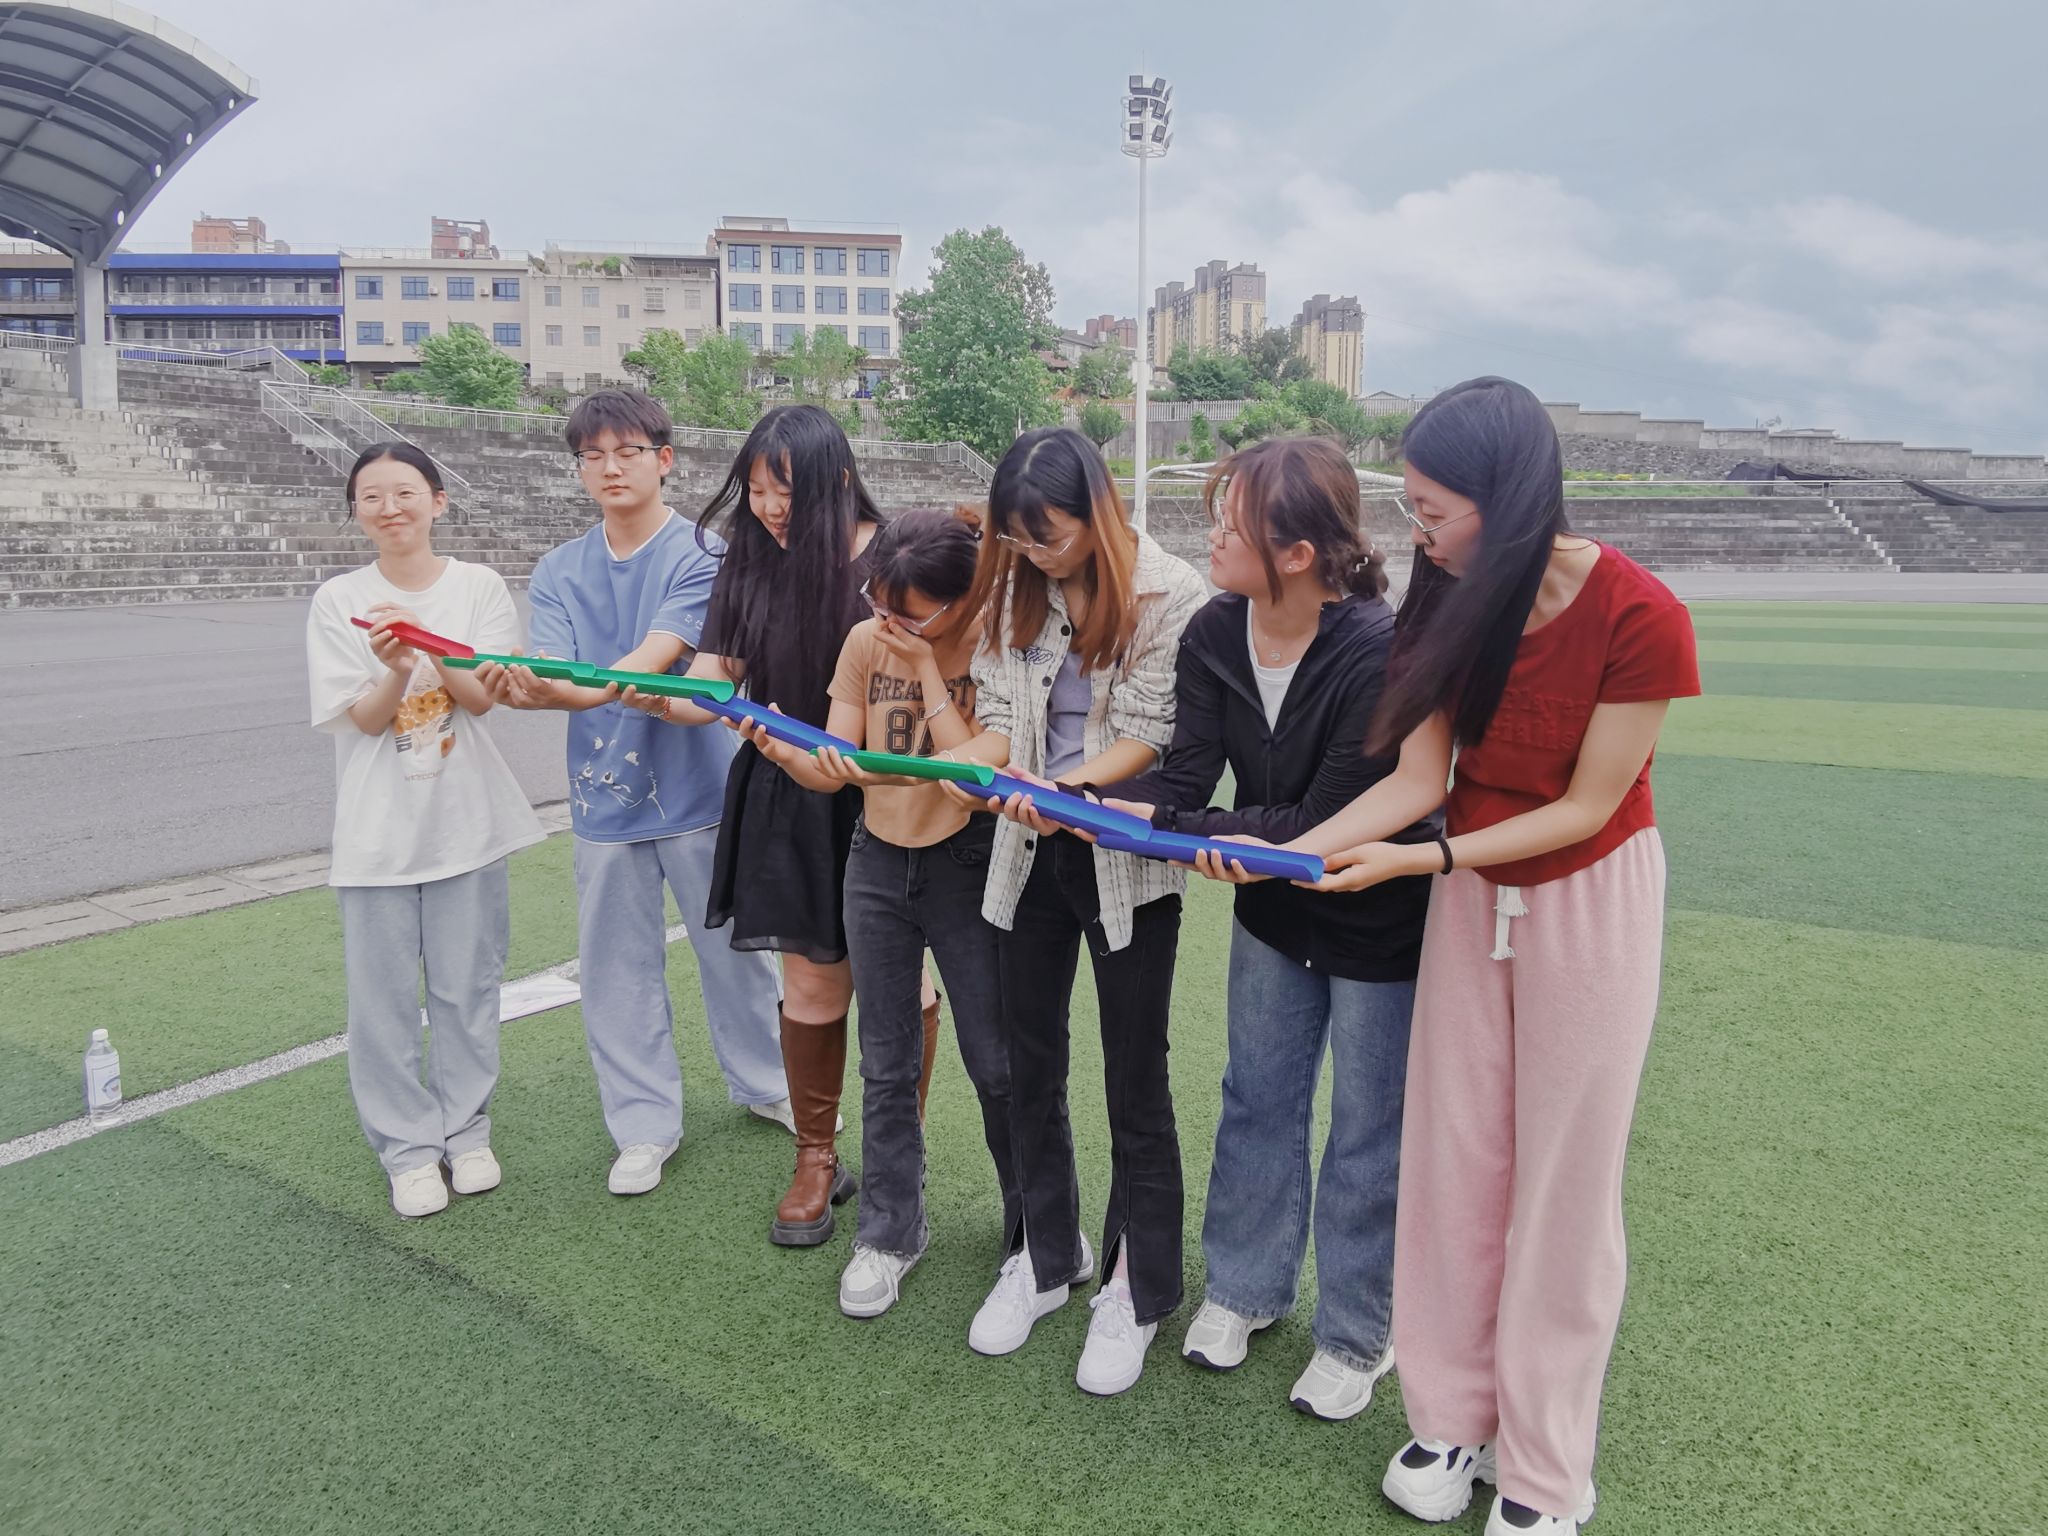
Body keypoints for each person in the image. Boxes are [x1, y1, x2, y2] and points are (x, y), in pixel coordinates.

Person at [1281, 378, 1700, 1536]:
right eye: (1409, 509)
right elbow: (1419, 779)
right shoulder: (1441, 600)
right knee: (1453, 1161)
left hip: (1585, 900)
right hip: (1471, 901)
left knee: (1563, 1188)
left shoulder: (1639, 614)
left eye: (1432, 511)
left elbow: (1584, 807)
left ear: (1504, 503)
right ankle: (1451, 1416)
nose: (1415, 534)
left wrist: (1424, 860)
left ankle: (1546, 1469)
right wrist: (1288, 856)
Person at [1094, 436, 1436, 1419]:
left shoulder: (1376, 647)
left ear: (1296, 552)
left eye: (1230, 524)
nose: (1210, 535)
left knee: (1366, 1130)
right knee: (1255, 1097)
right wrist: (1083, 801)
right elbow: (1188, 776)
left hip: (1377, 916)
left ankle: (1357, 1334)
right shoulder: (1215, 630)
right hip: (1271, 913)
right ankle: (1245, 1289)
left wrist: (1185, 832)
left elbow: (1320, 819)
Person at [936, 426, 1206, 1396]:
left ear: (1094, 510)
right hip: (1026, 851)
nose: (1033, 553)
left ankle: (1137, 1288)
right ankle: (1044, 1258)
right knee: (1027, 1065)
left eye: (1046, 534)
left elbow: (1147, 734)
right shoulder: (1017, 583)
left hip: (1122, 859)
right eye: (1016, 538)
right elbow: (1005, 717)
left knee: (1135, 1076)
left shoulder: (1170, 592)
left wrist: (1067, 791)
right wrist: (977, 766)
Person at [477, 389, 788, 1199]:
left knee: (738, 954)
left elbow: (645, 663)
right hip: (602, 799)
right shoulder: (559, 569)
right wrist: (518, 688)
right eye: (593, 455)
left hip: (704, 791)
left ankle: (768, 1082)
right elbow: (555, 674)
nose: (610, 468)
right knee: (616, 968)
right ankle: (643, 1126)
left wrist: (554, 687)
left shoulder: (705, 554)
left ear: (664, 459)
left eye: (627, 452)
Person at [644, 404, 921, 1248]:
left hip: (888, 793)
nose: (767, 507)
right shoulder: (750, 557)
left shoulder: (893, 554)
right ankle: (815, 1158)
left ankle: (896, 1159)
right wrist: (652, 696)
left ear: (839, 479)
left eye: (785, 491)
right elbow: (715, 679)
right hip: (786, 794)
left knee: (904, 988)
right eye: (757, 489)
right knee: (810, 987)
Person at [736, 508, 1019, 1317]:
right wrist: (787, 751)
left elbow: (969, 771)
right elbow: (839, 763)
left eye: (908, 612)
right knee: (885, 1059)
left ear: (964, 599)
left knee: (999, 1061)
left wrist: (927, 668)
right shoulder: (865, 642)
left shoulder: (1000, 646)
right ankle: (890, 1232)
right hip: (876, 858)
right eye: (879, 602)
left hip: (967, 861)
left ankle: (1034, 1225)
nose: (888, 622)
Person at [306, 443, 545, 1218]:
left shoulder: (477, 587)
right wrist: (394, 663)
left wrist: (432, 649)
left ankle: (466, 1132)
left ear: (438, 500)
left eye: (405, 492)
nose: (390, 508)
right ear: (355, 511)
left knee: (467, 990)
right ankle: (408, 1149)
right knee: (380, 1005)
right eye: (371, 496)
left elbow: (481, 699)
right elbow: (366, 719)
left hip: (467, 827)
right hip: (376, 837)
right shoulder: (339, 599)